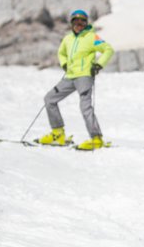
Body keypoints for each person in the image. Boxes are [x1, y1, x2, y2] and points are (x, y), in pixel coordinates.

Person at [36, 9, 114, 150]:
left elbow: (108, 49)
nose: (79, 24)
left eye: (82, 21)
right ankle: (58, 133)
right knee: (49, 99)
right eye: (76, 21)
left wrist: (98, 65)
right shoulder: (68, 38)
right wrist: (64, 63)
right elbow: (61, 53)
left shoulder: (92, 37)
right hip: (70, 76)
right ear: (71, 23)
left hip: (84, 76)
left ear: (86, 23)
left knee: (85, 108)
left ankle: (96, 139)